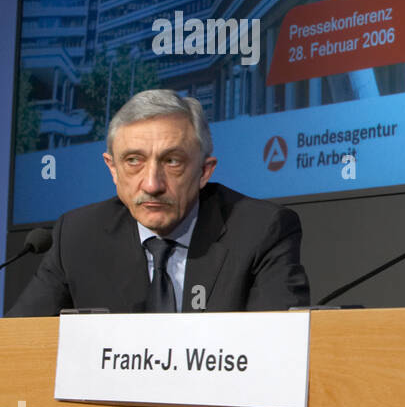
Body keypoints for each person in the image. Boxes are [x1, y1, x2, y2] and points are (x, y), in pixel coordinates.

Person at [7, 89, 310, 315]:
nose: (152, 184)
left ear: (204, 171)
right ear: (112, 169)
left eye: (172, 161)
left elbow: (278, 355)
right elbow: (17, 348)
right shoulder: (76, 236)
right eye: (133, 161)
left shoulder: (260, 231)